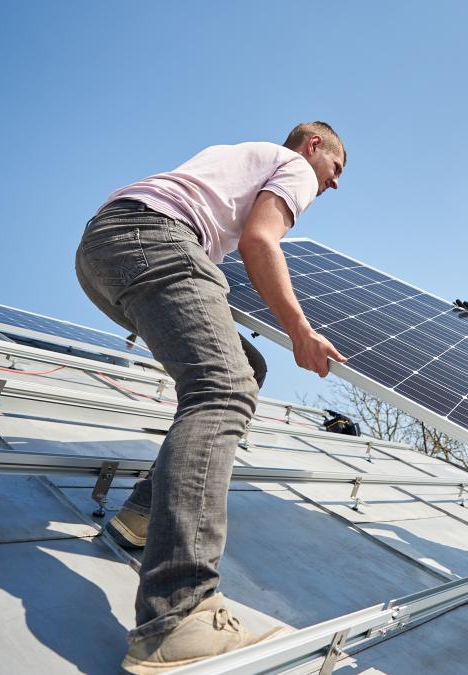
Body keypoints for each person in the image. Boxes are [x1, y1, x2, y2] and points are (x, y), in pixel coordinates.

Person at [74, 122, 348, 673]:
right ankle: (178, 614)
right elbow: (259, 240)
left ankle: (142, 515)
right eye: (336, 169)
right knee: (222, 389)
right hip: (151, 238)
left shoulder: (234, 154)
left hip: (104, 249)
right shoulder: (293, 165)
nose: (334, 185)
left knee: (245, 368)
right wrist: (299, 328)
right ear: (313, 145)